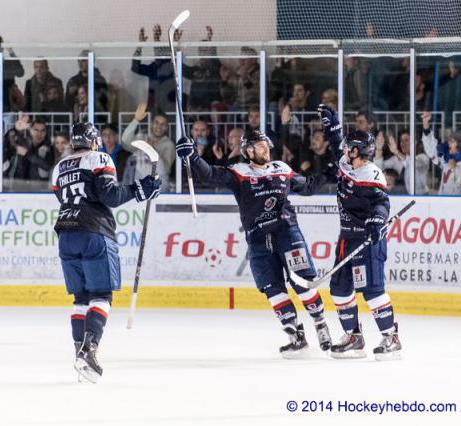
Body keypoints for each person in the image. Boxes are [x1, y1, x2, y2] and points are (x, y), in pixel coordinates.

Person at [175, 130, 332, 358]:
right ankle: (296, 337)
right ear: (248, 150)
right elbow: (208, 175)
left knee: (303, 281)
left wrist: (330, 172)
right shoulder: (239, 172)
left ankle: (321, 324)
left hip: (287, 232)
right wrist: (192, 157)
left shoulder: (281, 169)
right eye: (260, 146)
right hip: (258, 239)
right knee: (272, 288)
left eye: (266, 145)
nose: (266, 149)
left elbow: (308, 186)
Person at [52, 122, 161, 382]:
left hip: (66, 234)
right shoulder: (98, 158)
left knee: (81, 298)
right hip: (94, 232)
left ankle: (79, 354)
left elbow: (64, 198)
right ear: (93, 141)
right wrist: (140, 189)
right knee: (100, 294)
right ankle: (89, 353)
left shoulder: (59, 167)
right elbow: (110, 196)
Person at [317, 104, 402, 361]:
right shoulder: (347, 161)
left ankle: (391, 338)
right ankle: (354, 337)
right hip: (347, 238)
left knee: (373, 290)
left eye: (348, 147)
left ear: (357, 151)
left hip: (368, 240)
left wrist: (377, 220)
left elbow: (382, 203)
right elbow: (335, 145)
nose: (343, 150)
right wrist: (333, 127)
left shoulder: (372, 174)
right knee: (340, 289)